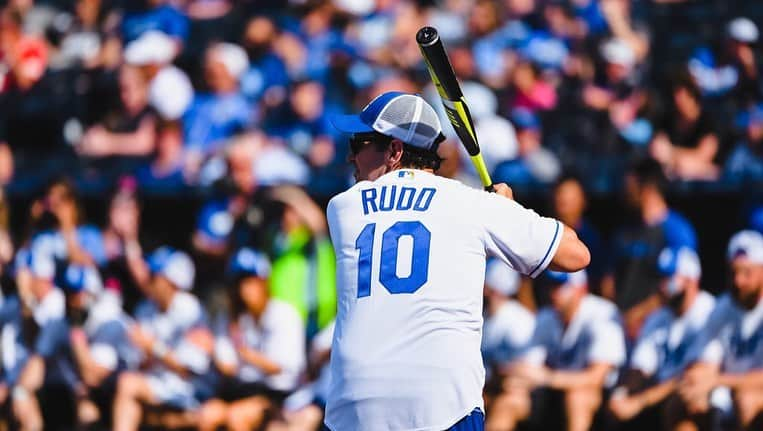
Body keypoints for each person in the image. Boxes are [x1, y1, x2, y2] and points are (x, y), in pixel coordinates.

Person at [325, 91, 590, 430]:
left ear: (394, 151)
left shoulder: (342, 208)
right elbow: (576, 254)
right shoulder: (471, 204)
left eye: (360, 143)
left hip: (353, 408)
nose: (351, 157)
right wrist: (508, 210)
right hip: (442, 404)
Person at [199, 248, 305, 431]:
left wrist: (243, 352)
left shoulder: (284, 314)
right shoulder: (232, 318)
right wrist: (213, 350)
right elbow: (228, 367)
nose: (243, 290)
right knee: (207, 414)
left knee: (238, 417)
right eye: (238, 283)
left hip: (278, 395)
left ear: (264, 282)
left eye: (249, 281)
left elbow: (282, 367)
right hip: (240, 390)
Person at [608, 247, 714, 429]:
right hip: (657, 393)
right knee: (615, 408)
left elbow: (693, 375)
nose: (663, 286)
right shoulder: (658, 317)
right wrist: (622, 393)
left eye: (670, 278)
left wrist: (640, 402)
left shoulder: (709, 311)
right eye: (662, 278)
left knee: (684, 407)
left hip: (697, 395)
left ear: (691, 279)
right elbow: (640, 367)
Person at [112, 247, 213, 431]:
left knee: (129, 386)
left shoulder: (191, 310)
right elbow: (137, 363)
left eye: (154, 276)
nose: (149, 280)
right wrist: (145, 353)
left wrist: (154, 348)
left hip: (190, 391)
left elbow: (189, 369)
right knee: (126, 383)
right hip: (158, 383)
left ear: (170, 281)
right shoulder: (145, 308)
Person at [513, 270, 626, 431]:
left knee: (578, 397)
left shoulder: (603, 313)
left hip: (600, 395)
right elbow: (527, 366)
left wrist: (547, 378)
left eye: (561, 286)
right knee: (511, 398)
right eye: (551, 286)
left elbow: (597, 378)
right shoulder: (546, 316)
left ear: (581, 288)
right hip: (552, 390)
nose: (553, 292)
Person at [680, 230, 763, 431]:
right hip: (726, 392)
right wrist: (698, 381)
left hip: (750, 394)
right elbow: (704, 359)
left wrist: (717, 380)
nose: (738, 281)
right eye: (733, 272)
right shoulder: (722, 307)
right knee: (682, 405)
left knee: (747, 401)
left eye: (747, 272)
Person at [481, 259, 543, 431]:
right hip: (487, 388)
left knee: (506, 405)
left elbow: (531, 371)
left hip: (522, 394)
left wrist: (501, 379)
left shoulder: (520, 319)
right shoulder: (483, 317)